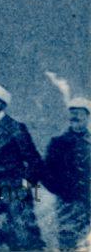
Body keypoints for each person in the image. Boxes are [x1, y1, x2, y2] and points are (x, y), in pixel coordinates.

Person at [0, 84, 45, 250]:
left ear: (3, 103)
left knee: (24, 236)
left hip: (14, 189)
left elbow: (34, 160)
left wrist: (26, 184)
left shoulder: (16, 128)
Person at [42, 97, 90, 250]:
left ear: (87, 116)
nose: (75, 116)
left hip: (89, 202)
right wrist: (63, 191)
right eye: (72, 112)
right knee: (68, 242)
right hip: (68, 205)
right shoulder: (58, 143)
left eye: (79, 113)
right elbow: (45, 173)